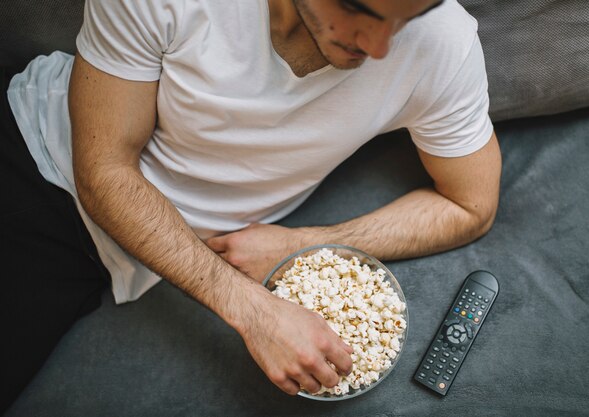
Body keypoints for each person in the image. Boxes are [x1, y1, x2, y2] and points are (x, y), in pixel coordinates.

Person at [1, 0, 501, 410]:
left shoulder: (443, 41)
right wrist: (254, 312)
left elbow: (470, 206)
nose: (378, 47)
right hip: (40, 170)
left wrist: (305, 245)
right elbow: (104, 171)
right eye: (358, 9)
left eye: (406, 18)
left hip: (127, 266)